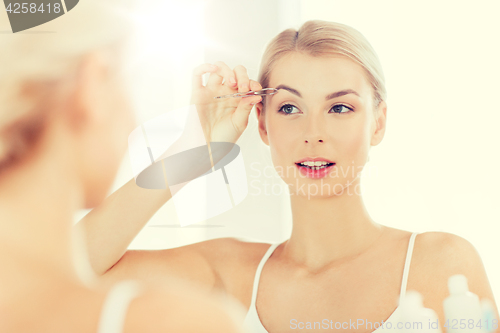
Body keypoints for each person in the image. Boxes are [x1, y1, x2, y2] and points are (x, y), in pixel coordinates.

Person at [75, 20, 500, 332]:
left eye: (339, 108)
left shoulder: (439, 264)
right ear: (261, 125)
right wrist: (191, 152)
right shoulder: (228, 275)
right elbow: (65, 271)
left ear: (378, 122)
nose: (313, 134)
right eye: (290, 108)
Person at [0, 1, 248, 332]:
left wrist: (192, 151)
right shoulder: (171, 322)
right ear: (93, 85)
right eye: (126, 84)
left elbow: (72, 261)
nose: (132, 118)